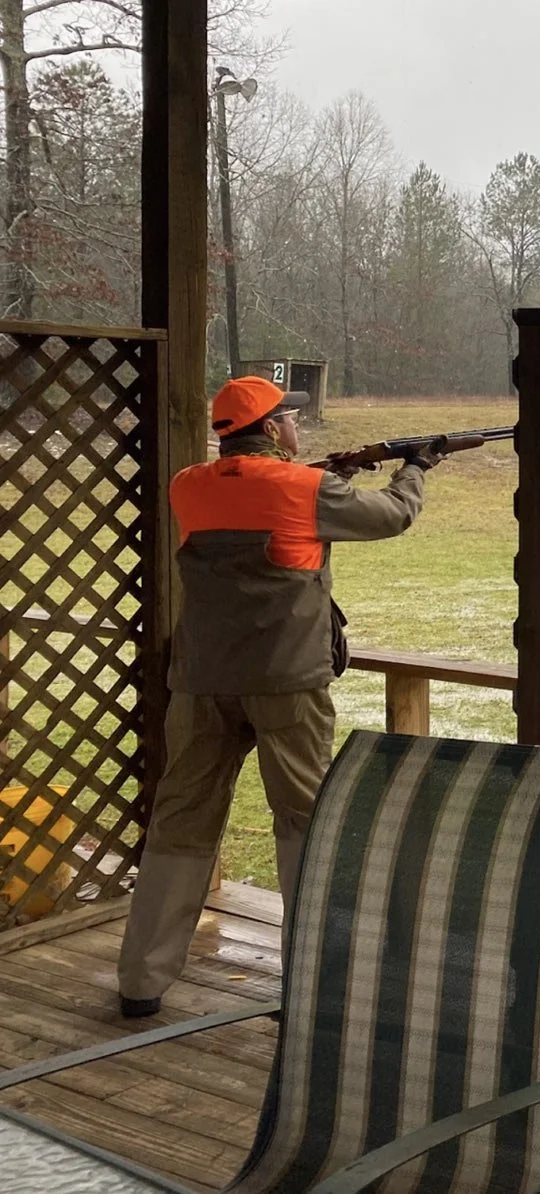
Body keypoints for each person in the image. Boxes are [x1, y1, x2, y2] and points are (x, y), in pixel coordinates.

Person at [116, 376, 442, 1017]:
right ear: (269, 429)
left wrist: (325, 470)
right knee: (304, 822)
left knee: (181, 820)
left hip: (202, 682)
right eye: (288, 419)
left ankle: (141, 981)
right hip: (287, 683)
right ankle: (312, 981)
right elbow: (392, 516)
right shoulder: (308, 488)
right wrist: (416, 467)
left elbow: (250, 490)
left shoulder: (189, 485)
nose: (296, 427)